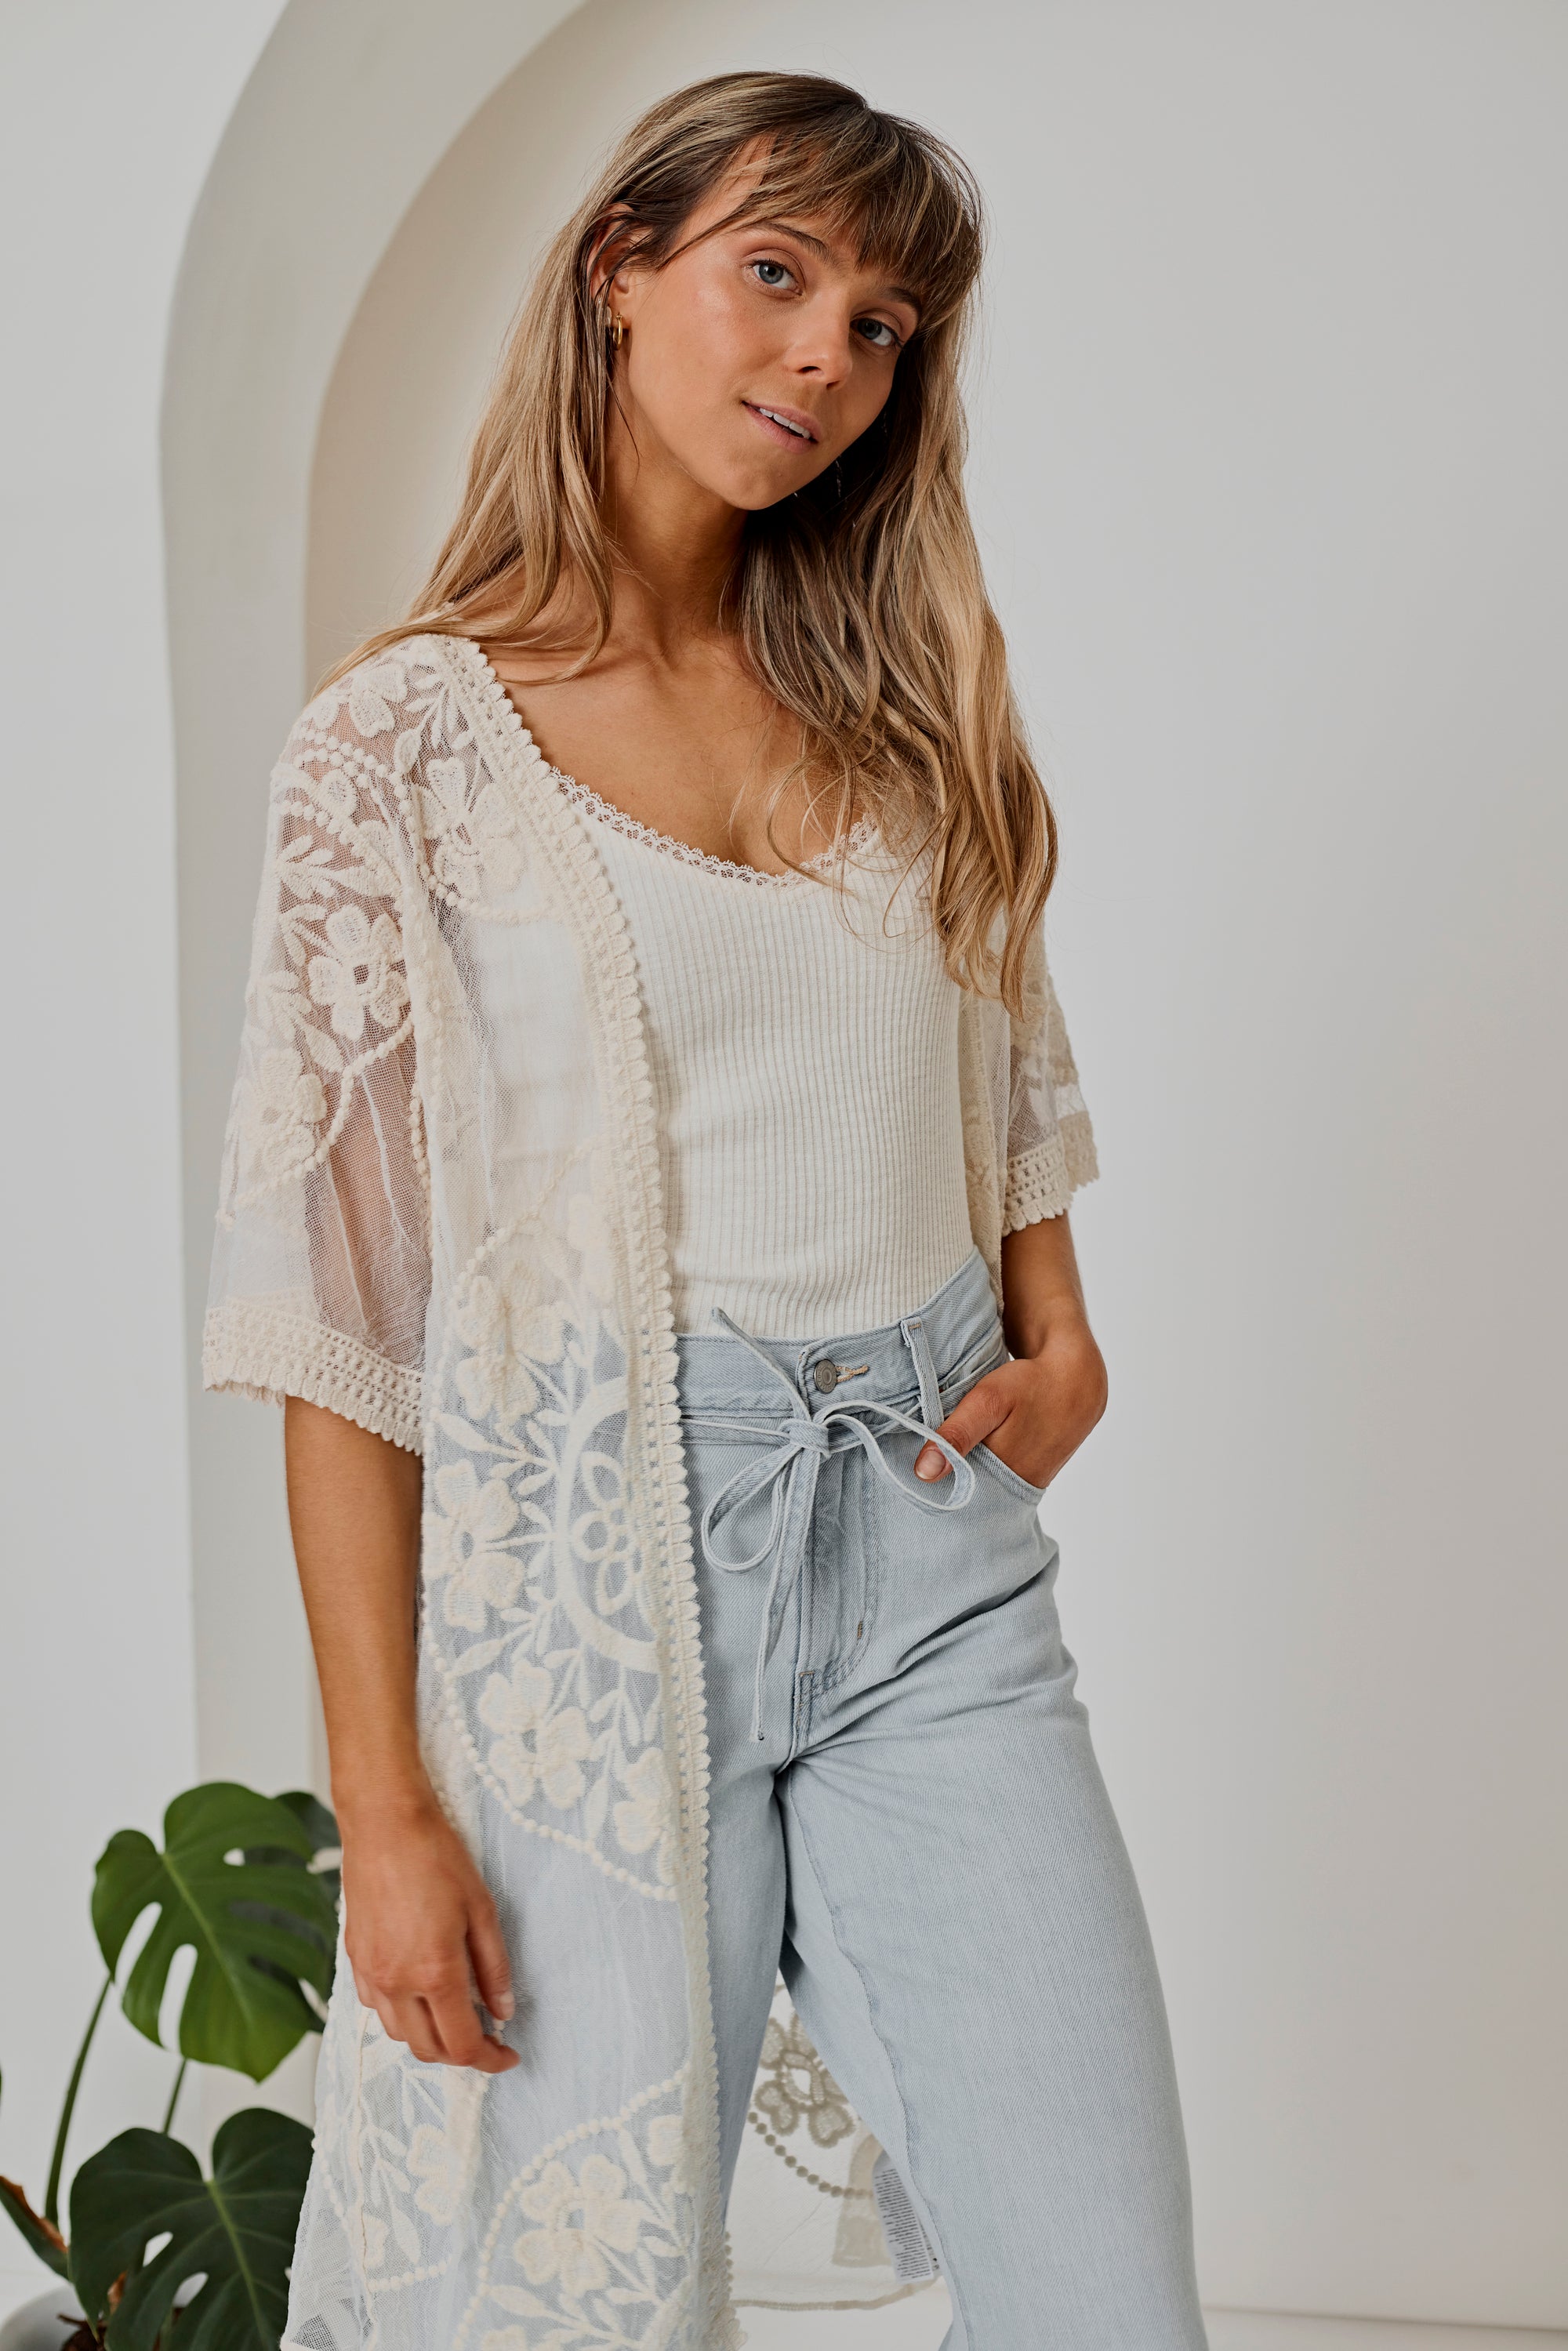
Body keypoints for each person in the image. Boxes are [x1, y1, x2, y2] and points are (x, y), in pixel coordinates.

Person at [205, 68, 1208, 2351]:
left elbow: (996, 1033)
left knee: (1104, 2293)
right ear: (617, 270)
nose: (825, 357)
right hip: (589, 1578)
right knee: (579, 2304)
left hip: (932, 1558)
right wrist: (385, 1806)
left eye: (882, 326)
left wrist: (1060, 1324)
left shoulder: (906, 701)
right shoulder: (399, 752)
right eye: (777, 273)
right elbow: (333, 1318)